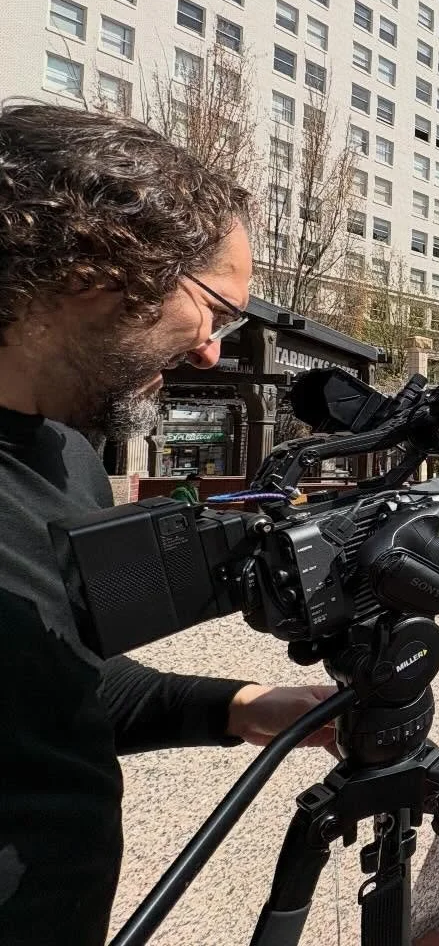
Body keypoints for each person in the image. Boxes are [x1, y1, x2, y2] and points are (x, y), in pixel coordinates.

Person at [0, 104, 337, 944]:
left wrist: (250, 706)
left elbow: (57, 688)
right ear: (93, 264)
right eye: (214, 310)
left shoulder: (72, 455)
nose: (213, 351)